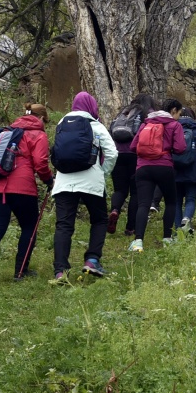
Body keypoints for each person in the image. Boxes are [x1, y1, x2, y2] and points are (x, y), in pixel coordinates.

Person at [0, 103, 53, 284]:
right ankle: (20, 271)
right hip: (22, 188)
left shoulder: (6, 132)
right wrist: (49, 181)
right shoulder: (38, 134)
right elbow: (40, 163)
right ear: (41, 118)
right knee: (29, 227)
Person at [49, 91, 118, 284]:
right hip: (91, 181)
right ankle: (92, 260)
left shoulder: (61, 125)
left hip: (64, 182)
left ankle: (60, 271)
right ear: (91, 106)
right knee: (99, 220)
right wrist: (102, 172)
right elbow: (112, 153)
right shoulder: (95, 125)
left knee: (63, 225)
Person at [130, 98, 188, 251]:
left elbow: (133, 146)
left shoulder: (146, 123)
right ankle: (167, 239)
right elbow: (180, 148)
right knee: (170, 202)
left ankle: (138, 242)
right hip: (164, 167)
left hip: (143, 168)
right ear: (173, 110)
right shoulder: (174, 125)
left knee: (143, 204)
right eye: (179, 113)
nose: (179, 117)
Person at [107, 93, 156, 235]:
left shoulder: (123, 113)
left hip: (118, 155)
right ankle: (130, 228)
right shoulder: (147, 114)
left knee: (119, 190)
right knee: (136, 193)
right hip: (136, 156)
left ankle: (115, 210)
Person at [174, 104, 196, 228]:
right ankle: (187, 218)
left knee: (176, 201)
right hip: (193, 169)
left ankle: (177, 228)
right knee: (190, 198)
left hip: (175, 170)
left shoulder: (172, 129)